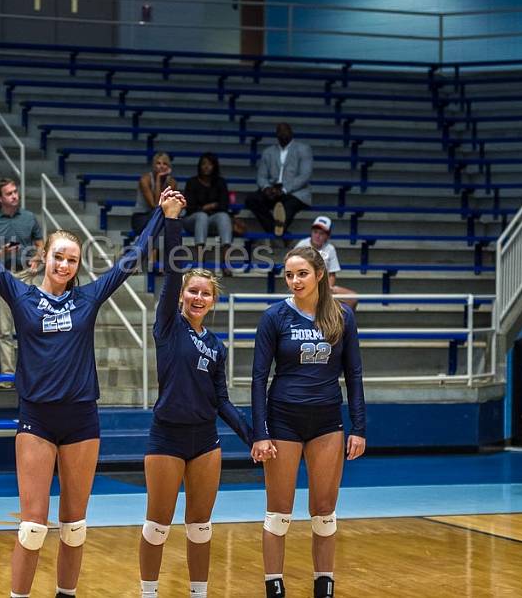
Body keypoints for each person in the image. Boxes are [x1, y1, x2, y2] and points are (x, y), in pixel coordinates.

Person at [0, 190, 168, 598]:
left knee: (74, 527)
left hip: (81, 421)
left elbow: (130, 260)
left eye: (72, 260)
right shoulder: (20, 295)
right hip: (37, 419)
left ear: (77, 266)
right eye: (58, 256)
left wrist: (162, 212)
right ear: (44, 257)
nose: (64, 264)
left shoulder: (87, 298)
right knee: (33, 526)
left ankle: (66, 594)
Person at [139, 190, 252, 598]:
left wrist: (254, 437)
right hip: (166, 437)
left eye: (206, 293)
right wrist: (172, 220)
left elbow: (222, 400)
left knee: (201, 526)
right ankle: (148, 592)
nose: (198, 297)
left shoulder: (217, 347)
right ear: (183, 297)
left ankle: (199, 593)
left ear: (213, 300)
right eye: (193, 292)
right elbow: (172, 273)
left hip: (205, 441)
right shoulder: (168, 326)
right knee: (157, 524)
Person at [250, 246, 365, 598]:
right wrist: (260, 432)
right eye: (289, 275)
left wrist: (359, 428)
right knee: (279, 512)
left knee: (324, 511)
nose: (295, 280)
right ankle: (274, 586)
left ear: (319, 274)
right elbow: (258, 378)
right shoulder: (274, 317)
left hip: (327, 423)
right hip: (283, 421)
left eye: (301, 273)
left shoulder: (342, 316)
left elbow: (355, 375)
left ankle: (324, 584)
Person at [0, 177, 43, 389]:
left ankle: (32, 374)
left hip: (26, 275)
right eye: (9, 193)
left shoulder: (29, 217)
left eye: (15, 191)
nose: (15, 196)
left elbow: (40, 243)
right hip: (3, 276)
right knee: (5, 330)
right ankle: (8, 376)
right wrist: (2, 251)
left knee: (32, 326)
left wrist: (37, 259)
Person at [245, 123, 312, 238]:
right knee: (252, 199)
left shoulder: (303, 149)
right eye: (280, 131)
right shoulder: (268, 152)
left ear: (291, 132)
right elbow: (261, 176)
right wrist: (266, 188)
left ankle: (277, 232)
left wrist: (285, 189)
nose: (283, 133)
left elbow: (304, 176)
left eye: (285, 130)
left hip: (295, 192)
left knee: (288, 207)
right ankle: (279, 231)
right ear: (276, 134)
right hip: (273, 189)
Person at [182, 152, 233, 273]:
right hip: (192, 220)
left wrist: (207, 207)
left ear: (214, 166)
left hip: (213, 220)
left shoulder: (220, 182)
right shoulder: (192, 182)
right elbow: (189, 207)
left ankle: (225, 262)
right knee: (201, 216)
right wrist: (209, 207)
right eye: (204, 164)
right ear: (199, 166)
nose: (206, 167)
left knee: (224, 216)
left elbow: (224, 205)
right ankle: (200, 262)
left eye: (210, 164)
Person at [295, 216, 357, 310]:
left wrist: (328, 288)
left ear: (327, 236)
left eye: (321, 233)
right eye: (315, 232)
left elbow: (332, 274)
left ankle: (341, 324)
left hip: (324, 286)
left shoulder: (330, 249)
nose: (317, 236)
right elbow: (293, 270)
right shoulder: (301, 245)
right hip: (304, 285)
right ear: (311, 232)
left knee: (352, 298)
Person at [133, 153, 178, 234]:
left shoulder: (172, 182)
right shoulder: (145, 180)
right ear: (154, 165)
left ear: (169, 167)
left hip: (161, 217)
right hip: (141, 218)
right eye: (158, 163)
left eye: (165, 164)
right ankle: (155, 247)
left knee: (167, 220)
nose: (161, 166)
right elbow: (155, 205)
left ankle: (162, 246)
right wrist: (158, 179)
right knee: (157, 216)